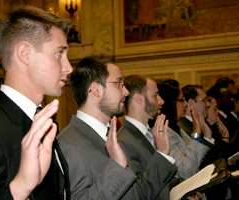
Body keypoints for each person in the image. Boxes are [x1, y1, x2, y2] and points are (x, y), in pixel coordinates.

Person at [57, 56, 184, 200]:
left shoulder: (111, 135)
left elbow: (138, 194)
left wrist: (162, 155)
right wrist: (117, 168)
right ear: (96, 90)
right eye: (118, 83)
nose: (126, 91)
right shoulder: (68, 144)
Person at [0, 6, 73, 200]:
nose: (68, 68)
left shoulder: (42, 118)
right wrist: (20, 187)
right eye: (59, 53)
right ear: (25, 54)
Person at [117, 75, 180, 200]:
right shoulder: (122, 140)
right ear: (139, 98)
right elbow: (140, 192)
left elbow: (163, 181)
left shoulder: (149, 133)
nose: (161, 101)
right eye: (155, 95)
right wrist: (162, 154)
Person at [156, 79, 209, 180]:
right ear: (170, 102)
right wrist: (196, 134)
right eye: (181, 100)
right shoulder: (164, 132)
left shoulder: (176, 127)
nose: (185, 104)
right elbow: (186, 172)